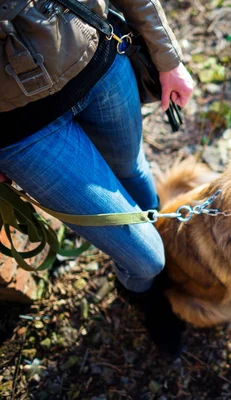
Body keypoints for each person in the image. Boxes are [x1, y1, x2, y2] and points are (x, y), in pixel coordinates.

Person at [0, 0, 194, 355]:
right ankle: (150, 300)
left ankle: (168, 276)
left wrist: (168, 58)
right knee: (145, 257)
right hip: (19, 130)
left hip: (100, 62)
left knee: (134, 174)